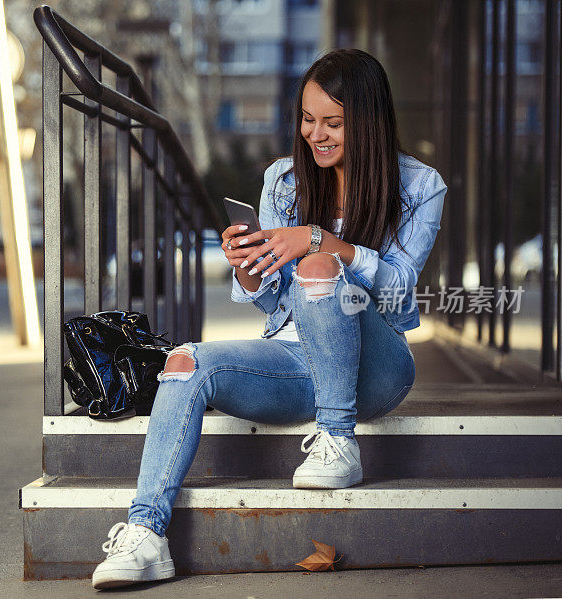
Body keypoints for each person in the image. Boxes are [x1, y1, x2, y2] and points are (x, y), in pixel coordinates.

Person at [91, 48, 447, 590]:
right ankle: (146, 536)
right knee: (187, 362)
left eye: (333, 123)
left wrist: (322, 243)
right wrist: (250, 269)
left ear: (369, 122)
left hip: (374, 366)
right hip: (292, 359)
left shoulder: (422, 187)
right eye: (307, 119)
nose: (316, 135)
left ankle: (338, 440)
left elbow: (399, 290)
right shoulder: (283, 179)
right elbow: (269, 300)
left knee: (320, 264)